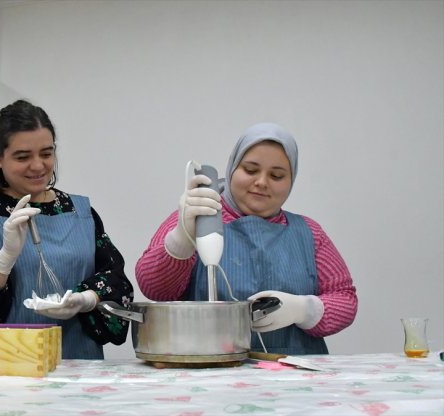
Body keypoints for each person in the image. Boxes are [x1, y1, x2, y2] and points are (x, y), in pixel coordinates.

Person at [135, 122, 357, 355]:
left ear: (291, 181)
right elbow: (154, 288)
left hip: (293, 375)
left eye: (277, 175)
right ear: (232, 168)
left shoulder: (309, 233)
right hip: (211, 371)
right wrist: (182, 239)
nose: (261, 182)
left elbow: (345, 299)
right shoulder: (196, 218)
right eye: (250, 170)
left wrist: (304, 310)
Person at [0, 99, 133, 359]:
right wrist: (2, 262)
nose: (38, 166)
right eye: (23, 156)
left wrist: (88, 298)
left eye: (46, 153)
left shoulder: (81, 213)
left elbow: (118, 284)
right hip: (6, 376)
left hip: (80, 374)